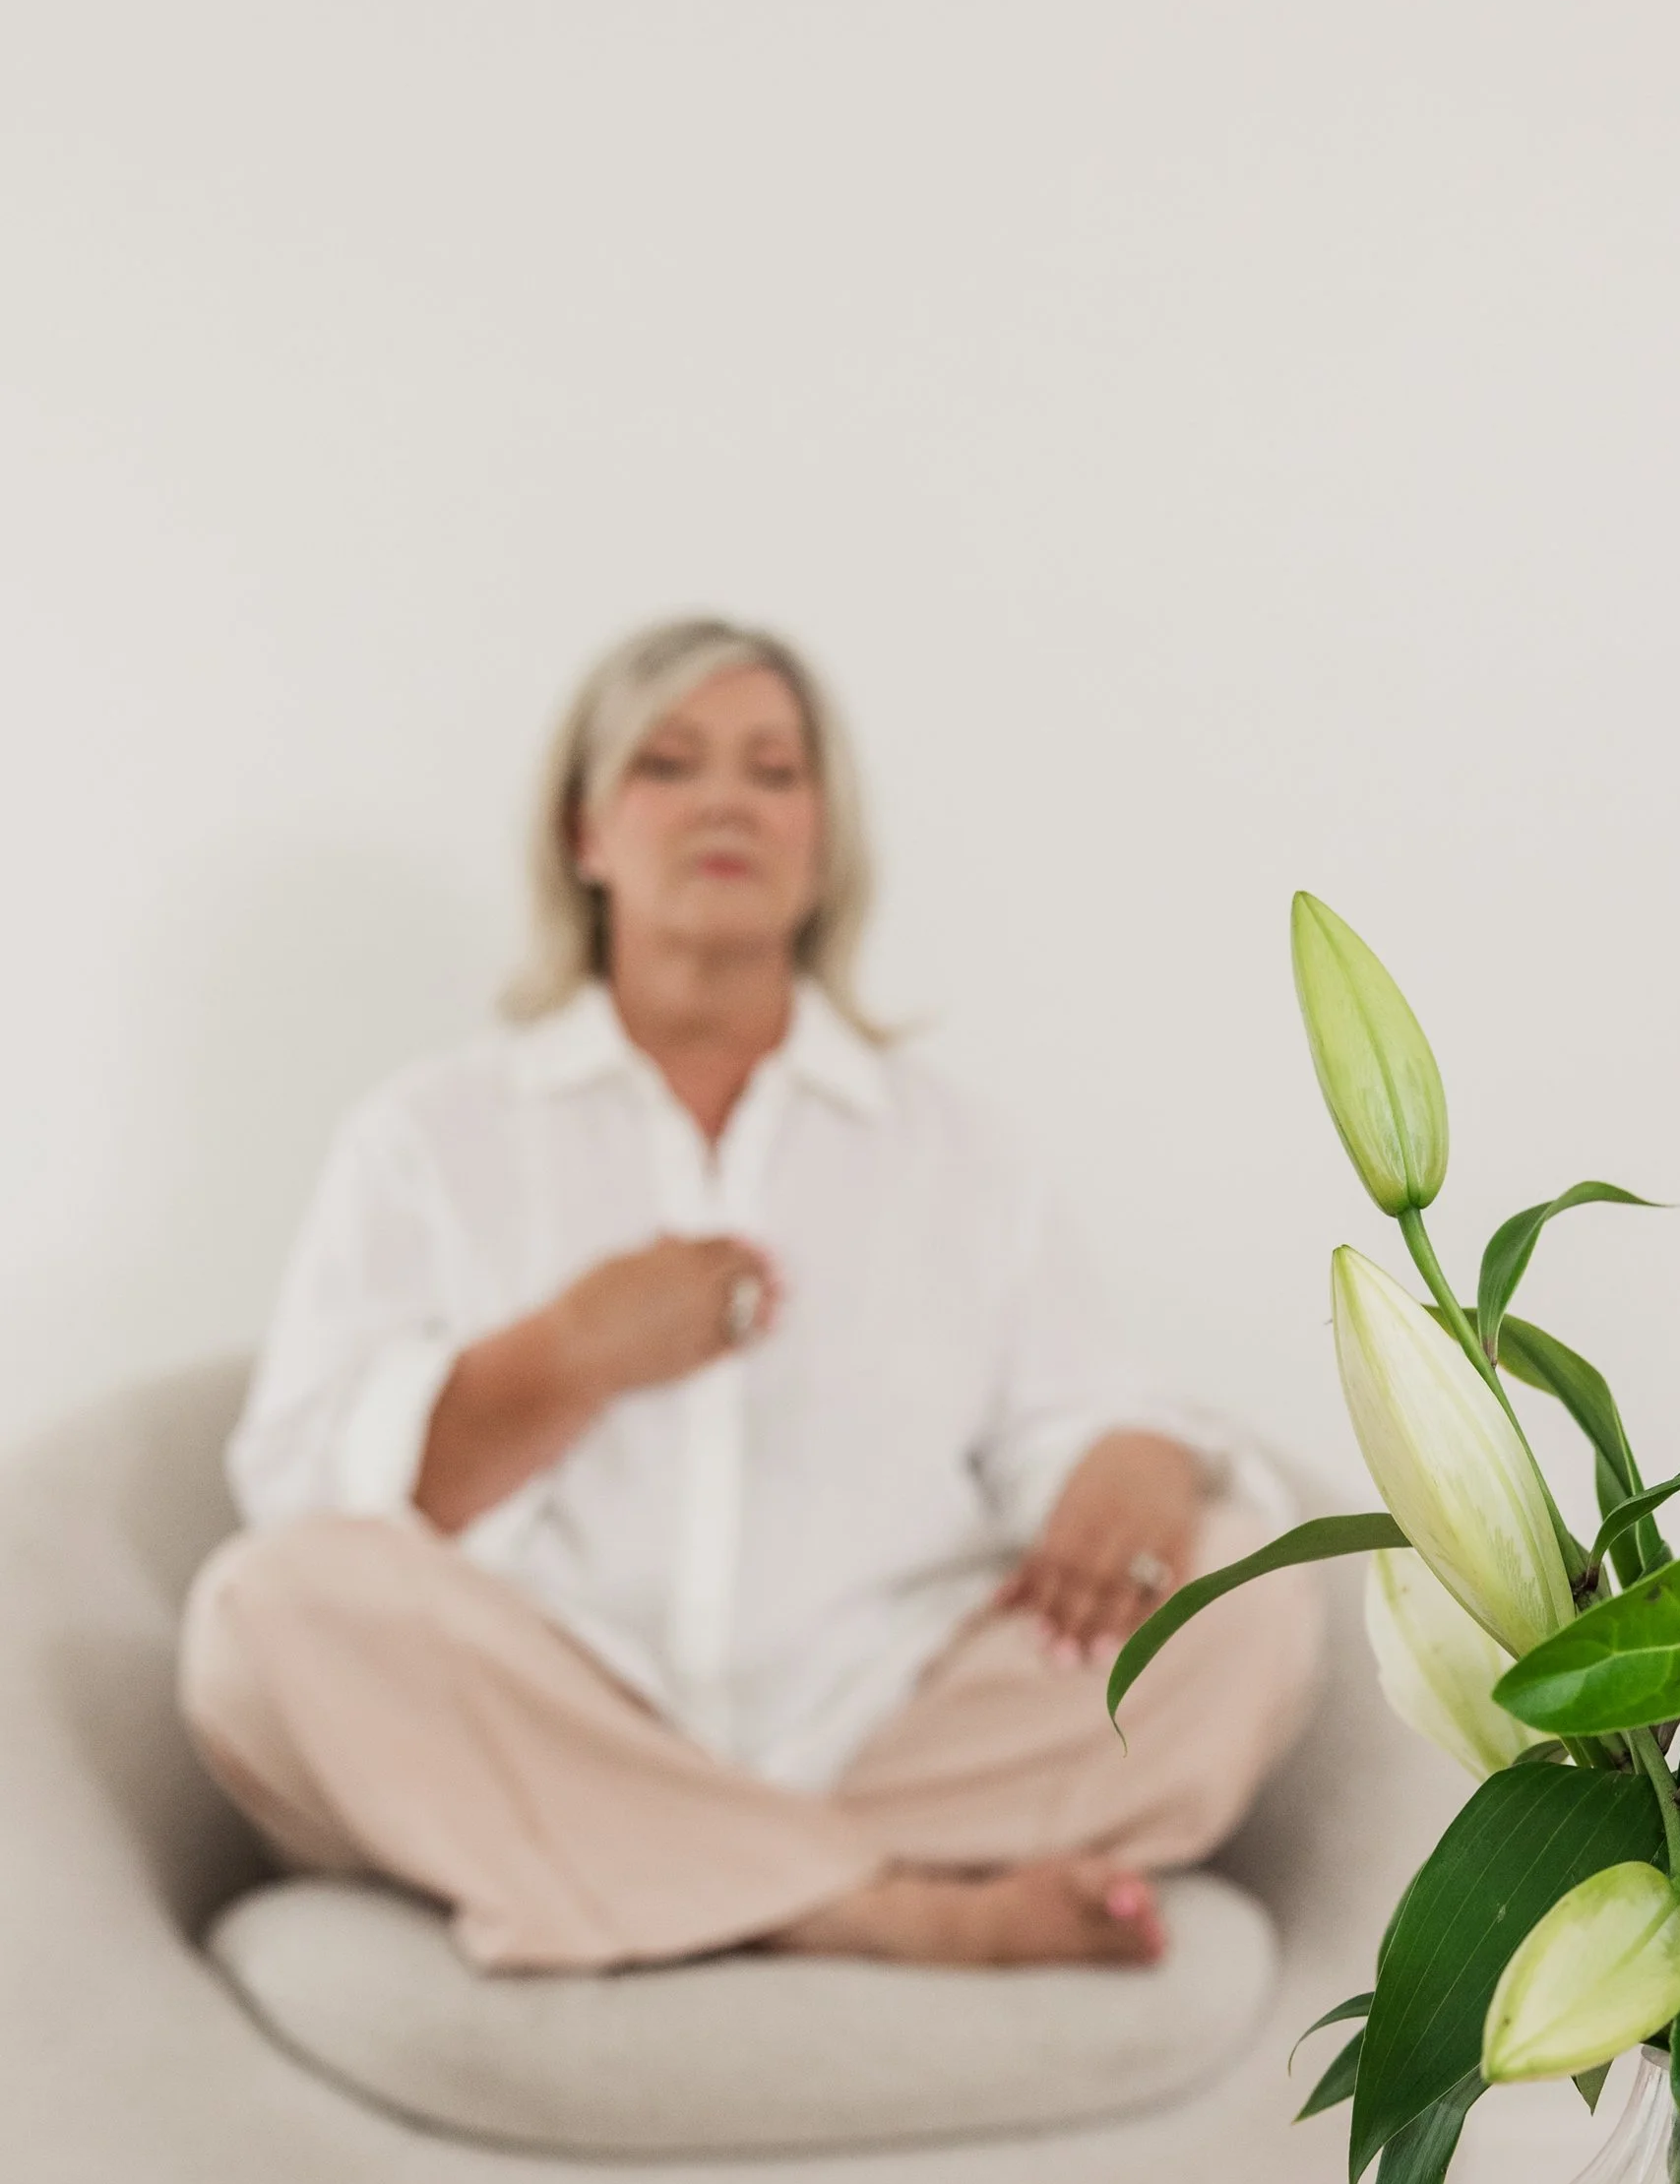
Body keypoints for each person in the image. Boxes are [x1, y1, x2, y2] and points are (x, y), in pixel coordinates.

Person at [179, 617, 1319, 1972]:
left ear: (823, 840)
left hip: (888, 1732)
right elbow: (306, 1487)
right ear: (586, 831)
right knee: (264, 1612)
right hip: (542, 1705)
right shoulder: (429, 1136)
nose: (727, 799)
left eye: (774, 772)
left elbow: (1067, 1427)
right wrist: (564, 1353)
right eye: (669, 763)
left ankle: (666, 1869)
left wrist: (1136, 1458)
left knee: (1253, 1604)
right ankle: (870, 1903)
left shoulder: (957, 1149)